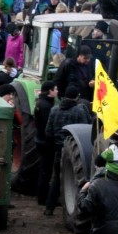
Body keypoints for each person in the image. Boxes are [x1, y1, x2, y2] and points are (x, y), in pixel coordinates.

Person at [44, 85, 92, 216]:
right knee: (78, 181)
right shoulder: (79, 111)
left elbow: (48, 132)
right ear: (77, 97)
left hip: (59, 149)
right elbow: (85, 131)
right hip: (75, 151)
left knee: (56, 178)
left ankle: (49, 208)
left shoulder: (54, 110)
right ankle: (78, 208)